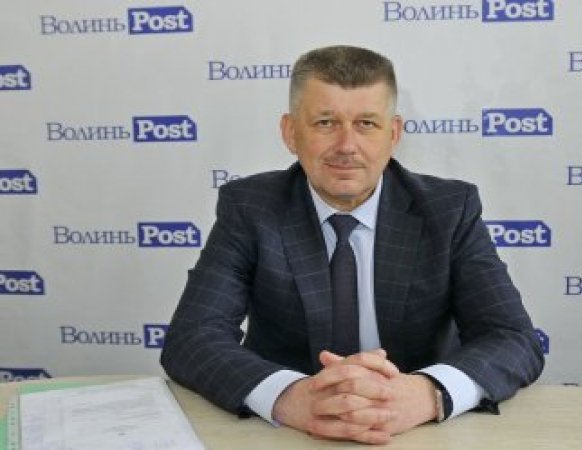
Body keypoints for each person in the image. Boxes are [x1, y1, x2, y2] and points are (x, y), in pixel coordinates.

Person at [161, 45, 544, 445]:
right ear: (290, 132)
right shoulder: (250, 208)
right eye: (325, 122)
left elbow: (512, 338)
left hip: (417, 434)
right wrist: (288, 396)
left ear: (393, 134)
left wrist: (426, 394)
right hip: (289, 435)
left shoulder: (449, 210)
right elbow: (193, 337)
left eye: (366, 124)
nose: (346, 145)